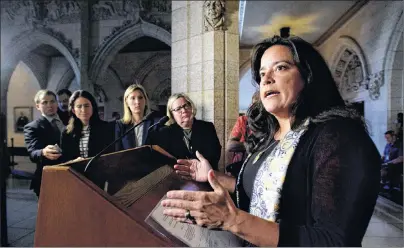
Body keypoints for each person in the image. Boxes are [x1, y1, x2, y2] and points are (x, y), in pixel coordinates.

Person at [160, 35, 381, 246]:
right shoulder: (269, 137)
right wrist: (212, 176)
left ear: (308, 75)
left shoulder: (338, 137)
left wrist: (233, 220)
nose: (266, 79)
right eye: (262, 73)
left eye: (281, 67)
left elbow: (334, 241)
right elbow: (260, 192)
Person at [150, 93, 222, 170]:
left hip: (206, 174)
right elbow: (166, 161)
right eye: (178, 109)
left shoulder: (207, 127)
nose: (184, 110)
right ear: (172, 114)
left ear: (191, 107)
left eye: (186, 105)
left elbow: (215, 153)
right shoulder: (166, 132)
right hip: (179, 177)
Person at [24, 90, 64, 196]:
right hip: (47, 178)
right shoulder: (33, 127)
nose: (49, 105)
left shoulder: (68, 120)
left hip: (72, 175)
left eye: (52, 101)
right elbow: (33, 153)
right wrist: (43, 152)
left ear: (57, 103)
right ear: (38, 106)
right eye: (44, 102)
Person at [60, 90, 114, 163]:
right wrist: (73, 161)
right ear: (73, 110)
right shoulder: (66, 132)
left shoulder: (106, 128)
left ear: (93, 107)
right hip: (74, 172)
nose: (83, 110)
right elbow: (64, 160)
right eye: (79, 106)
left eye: (87, 106)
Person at [115, 84, 160, 151]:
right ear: (126, 102)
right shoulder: (120, 125)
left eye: (140, 97)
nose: (137, 102)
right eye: (133, 98)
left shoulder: (155, 123)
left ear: (145, 101)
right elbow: (117, 153)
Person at [225, 91, 260, 176]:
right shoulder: (244, 120)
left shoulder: (272, 123)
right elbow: (230, 146)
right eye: (254, 105)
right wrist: (252, 145)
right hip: (243, 166)